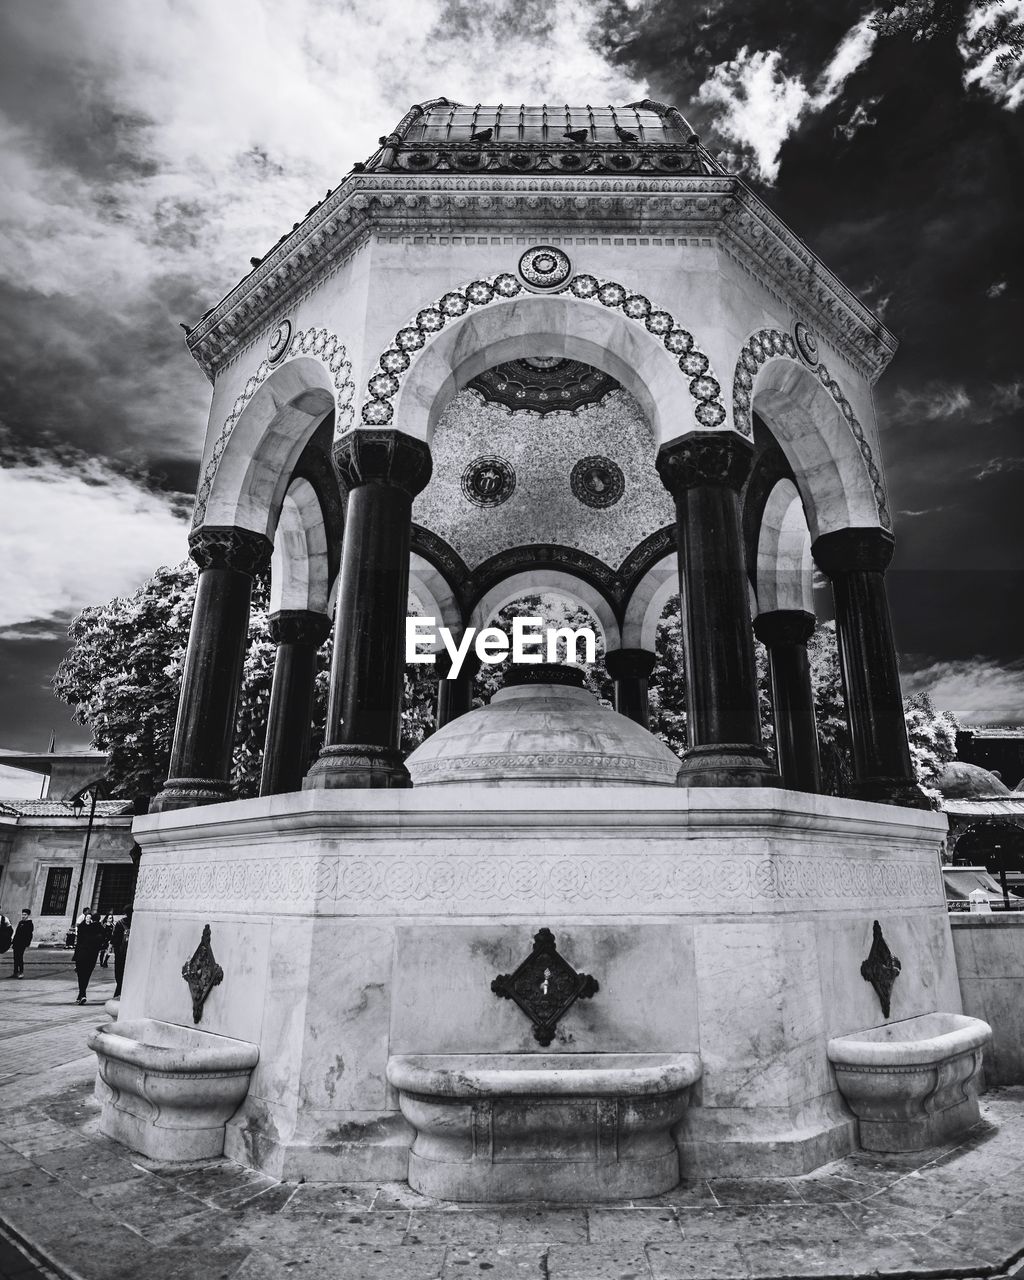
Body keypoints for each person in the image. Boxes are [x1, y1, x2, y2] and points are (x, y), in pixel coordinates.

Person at [72, 910, 107, 1004]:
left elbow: (79, 942)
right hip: (92, 956)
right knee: (87, 975)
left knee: (81, 976)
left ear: (91, 919)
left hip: (82, 954)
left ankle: (82, 994)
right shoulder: (102, 929)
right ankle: (81, 995)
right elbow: (103, 943)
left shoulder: (86, 928)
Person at [111, 906, 132, 999]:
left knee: (119, 975)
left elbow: (115, 940)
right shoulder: (138, 922)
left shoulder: (120, 923)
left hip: (121, 954)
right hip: (133, 955)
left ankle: (118, 993)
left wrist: (117, 951)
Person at [11, 908, 33, 978]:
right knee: (15, 957)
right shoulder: (20, 922)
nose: (23, 916)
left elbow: (30, 935)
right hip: (16, 943)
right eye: (22, 914)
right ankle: (15, 972)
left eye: (25, 915)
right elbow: (16, 933)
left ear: (28, 915)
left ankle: (21, 972)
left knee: (20, 957)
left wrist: (27, 943)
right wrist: (13, 941)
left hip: (22, 943)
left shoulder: (29, 924)